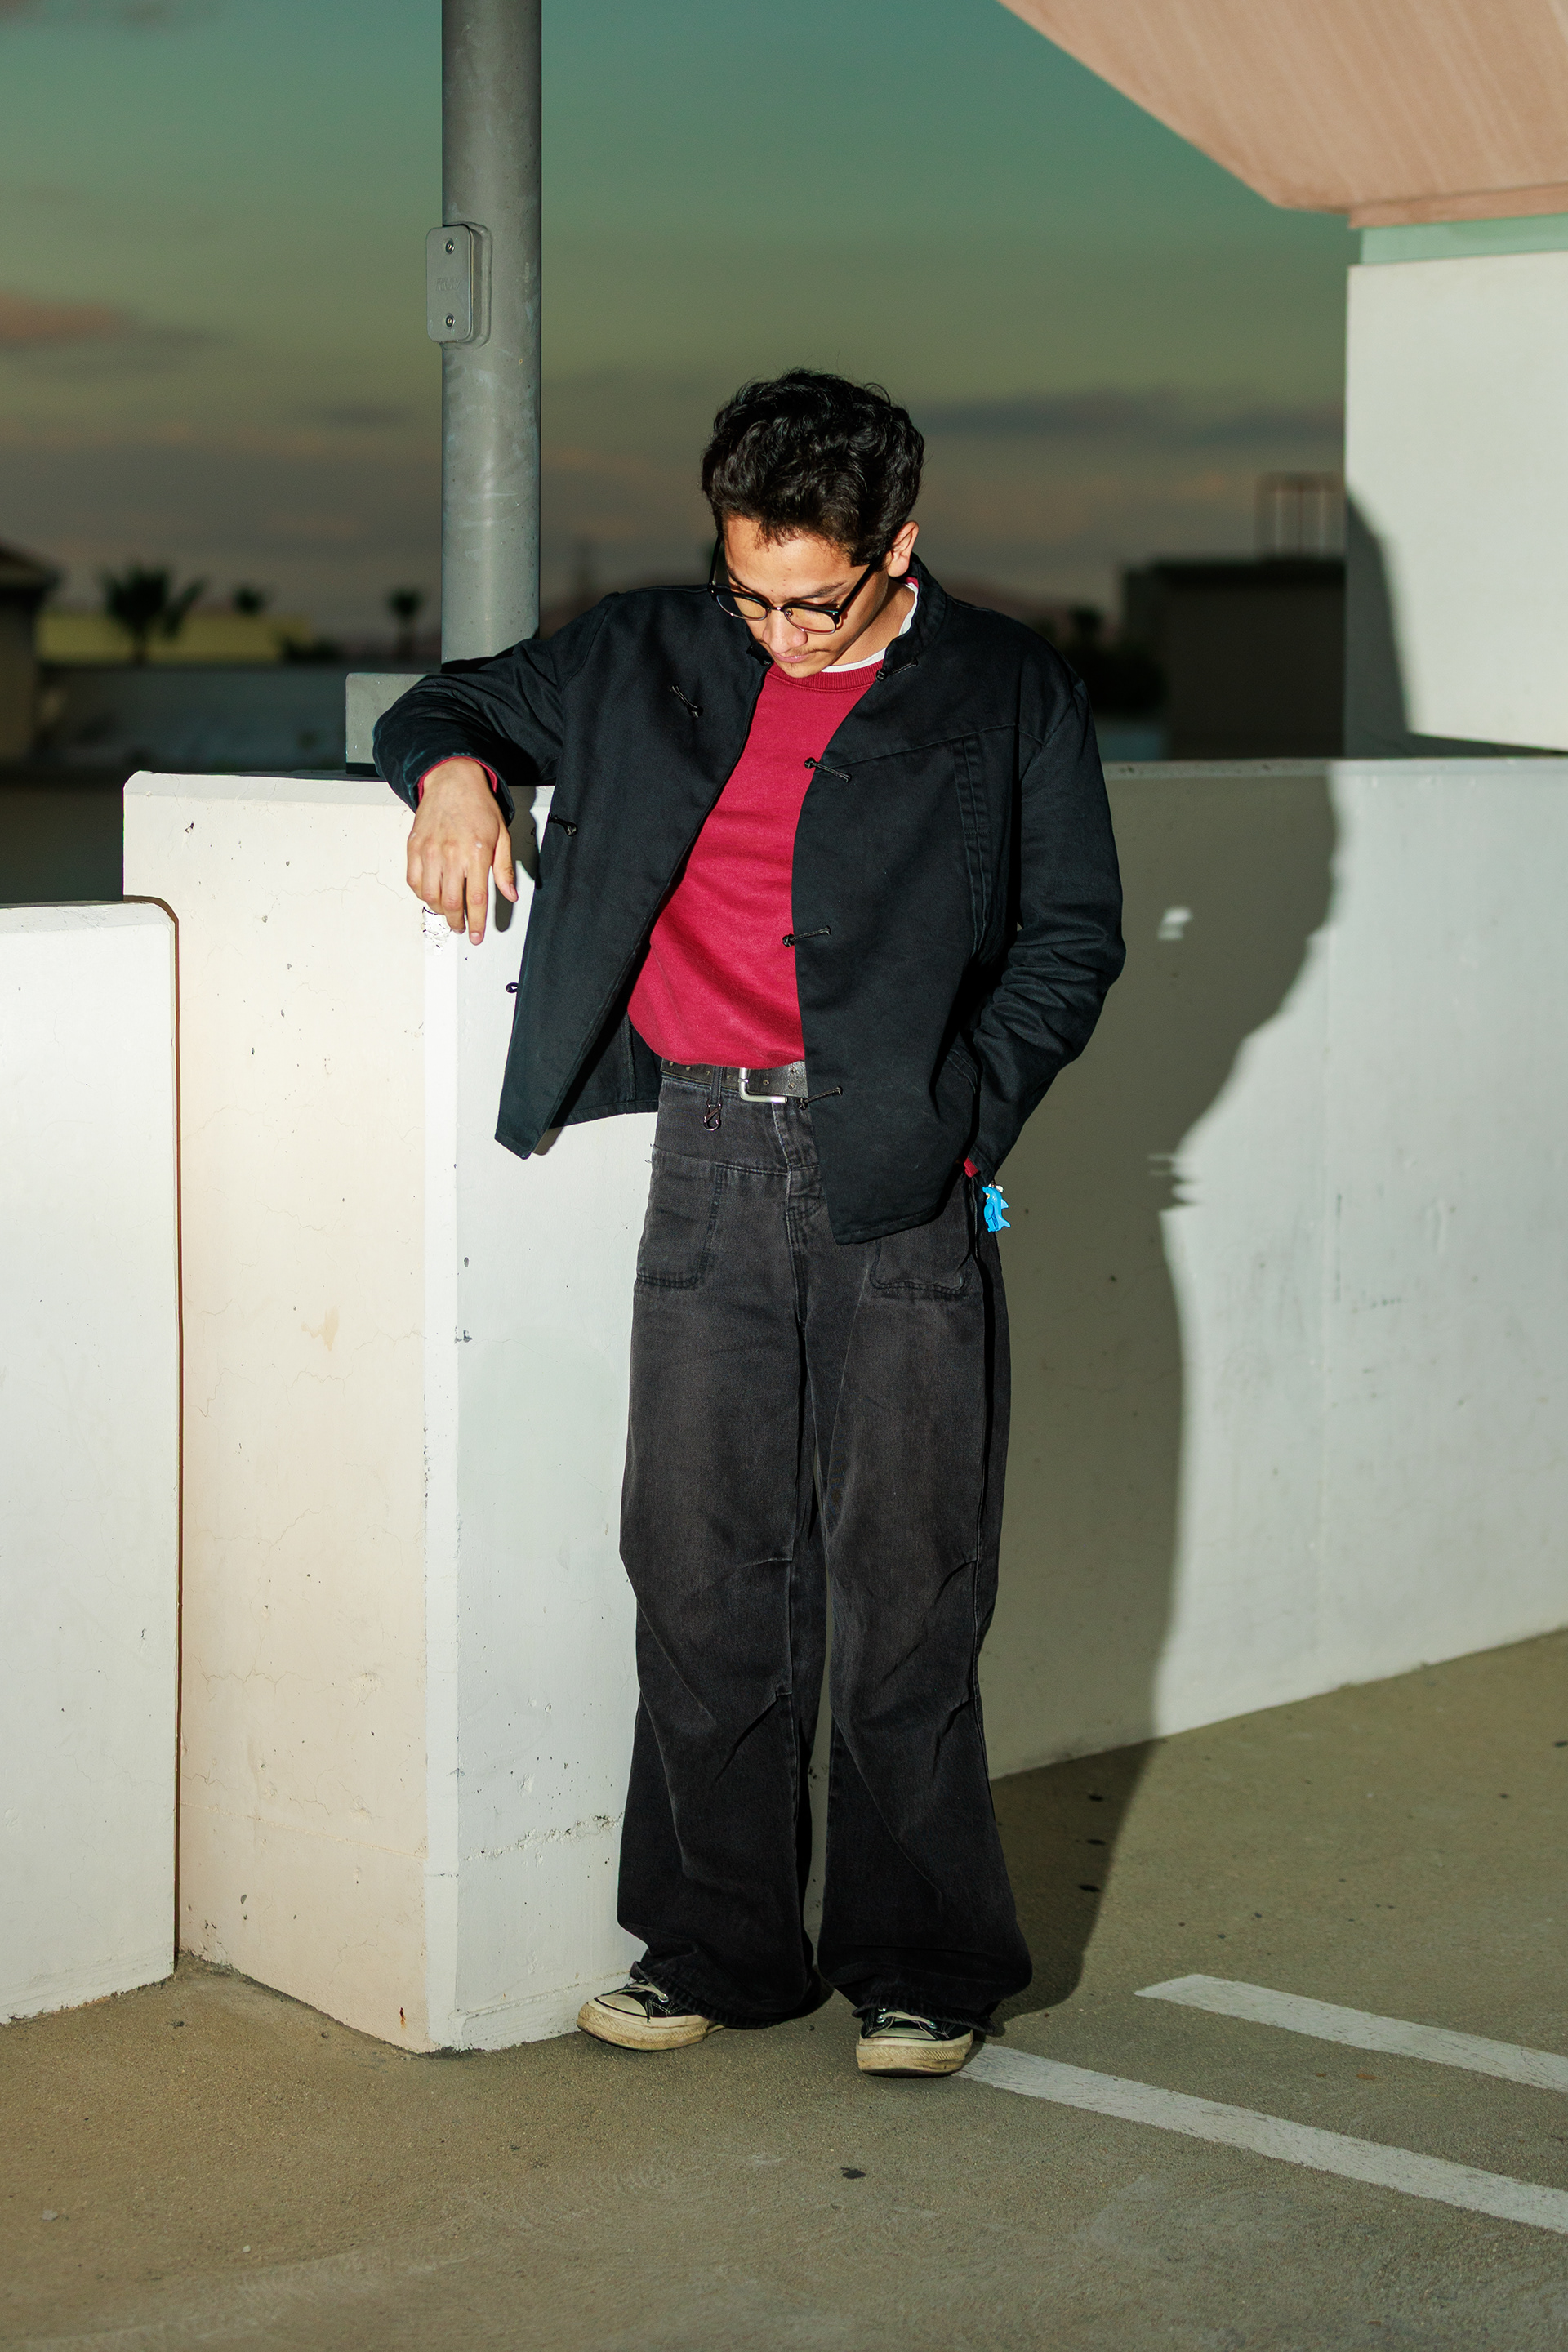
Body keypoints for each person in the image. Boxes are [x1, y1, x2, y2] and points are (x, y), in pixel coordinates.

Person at [376, 369, 1124, 2078]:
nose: (779, 633)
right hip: (709, 1152)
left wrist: (963, 1115)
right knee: (698, 1567)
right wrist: (456, 777)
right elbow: (443, 700)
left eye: (815, 603)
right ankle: (717, 1946)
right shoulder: (647, 648)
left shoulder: (1005, 685)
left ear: (898, 550)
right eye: (750, 594)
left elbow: (1074, 931)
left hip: (903, 1172)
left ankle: (924, 1963)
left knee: (910, 1578)